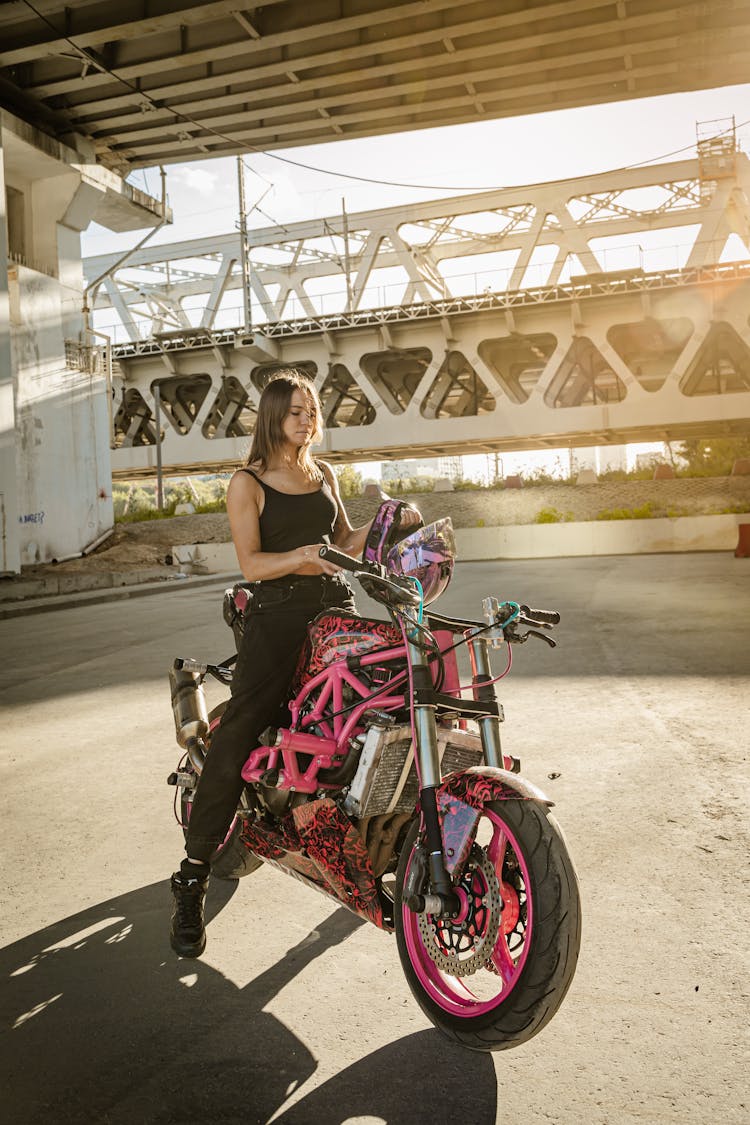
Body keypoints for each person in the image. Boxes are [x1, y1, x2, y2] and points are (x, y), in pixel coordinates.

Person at [169, 370, 419, 957]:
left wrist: (387, 524)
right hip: (278, 614)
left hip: (336, 604)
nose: (307, 422)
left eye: (312, 412)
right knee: (242, 727)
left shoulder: (324, 473)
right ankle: (193, 873)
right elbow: (252, 565)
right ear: (273, 416)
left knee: (376, 705)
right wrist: (301, 557)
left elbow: (345, 541)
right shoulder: (248, 482)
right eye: (296, 412)